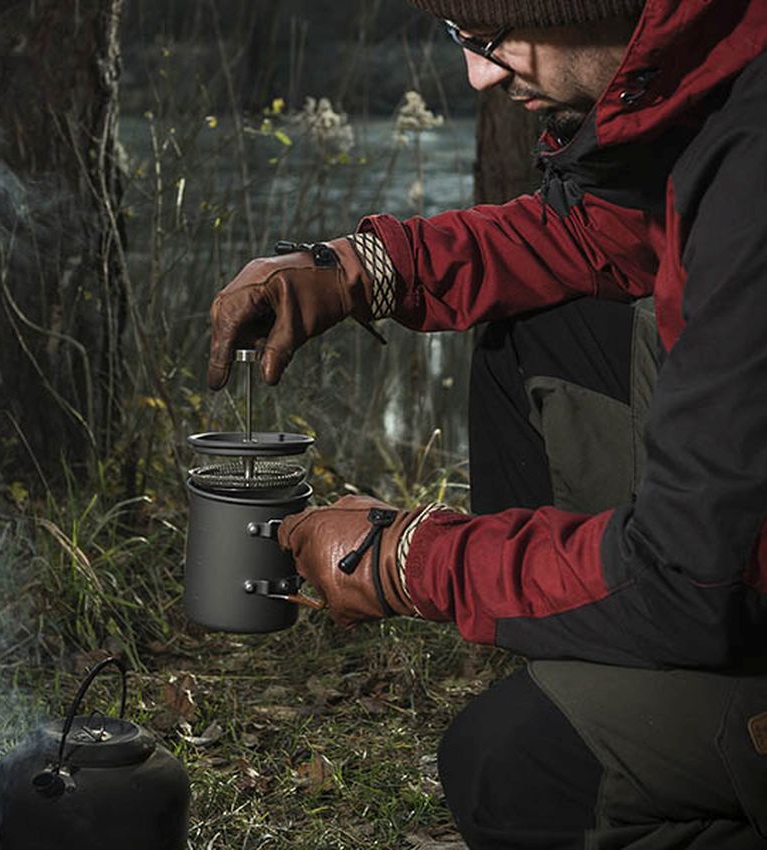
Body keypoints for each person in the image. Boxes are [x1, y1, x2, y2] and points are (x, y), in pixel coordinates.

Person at [207, 1, 767, 846]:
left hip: (715, 581)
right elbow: (605, 235)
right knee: (544, 323)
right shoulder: (721, 71)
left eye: (489, 39)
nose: (477, 74)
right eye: (458, 39)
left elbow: (691, 575)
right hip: (722, 566)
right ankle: (590, 650)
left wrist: (408, 560)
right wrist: (357, 271)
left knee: (509, 767)